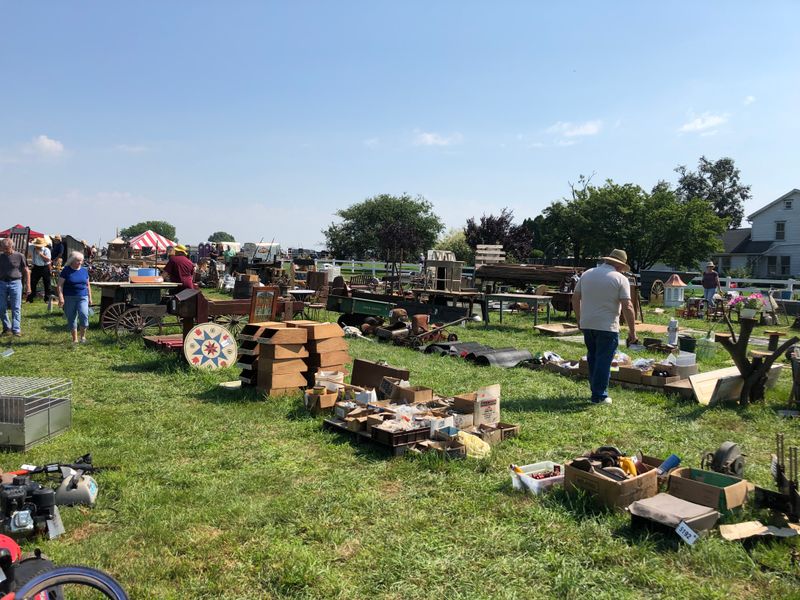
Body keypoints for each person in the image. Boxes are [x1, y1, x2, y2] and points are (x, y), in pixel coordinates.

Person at [571, 249, 638, 405]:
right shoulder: (620, 279)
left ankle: (595, 390)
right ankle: (599, 396)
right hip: (607, 325)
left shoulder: (587, 274)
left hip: (588, 323)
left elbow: (575, 298)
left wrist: (579, 319)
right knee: (603, 360)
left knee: (593, 357)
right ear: (620, 265)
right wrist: (632, 331)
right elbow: (627, 306)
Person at [57, 251, 92, 344]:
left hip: (83, 297)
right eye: (77, 261)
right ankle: (75, 339)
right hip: (69, 297)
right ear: (72, 261)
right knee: (72, 317)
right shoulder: (66, 270)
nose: (80, 263)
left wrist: (90, 297)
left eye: (81, 261)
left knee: (84, 315)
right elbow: (60, 285)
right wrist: (61, 297)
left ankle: (83, 337)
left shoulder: (84, 271)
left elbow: (88, 285)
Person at [0, 238, 31, 337]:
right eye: (3, 248)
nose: (5, 250)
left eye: (7, 248)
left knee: (16, 307)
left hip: (16, 283)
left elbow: (26, 271)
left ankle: (16, 329)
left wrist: (28, 286)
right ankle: (6, 328)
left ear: (12, 247)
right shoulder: (0, 256)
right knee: (1, 307)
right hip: (2, 283)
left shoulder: (20, 256)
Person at [27, 238, 52, 303]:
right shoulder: (32, 247)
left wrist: (40, 254)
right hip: (36, 267)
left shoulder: (46, 250)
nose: (37, 247)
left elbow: (48, 260)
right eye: (37, 245)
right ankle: (30, 299)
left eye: (39, 245)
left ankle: (47, 299)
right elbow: (27, 245)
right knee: (32, 282)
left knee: (47, 284)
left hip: (45, 267)